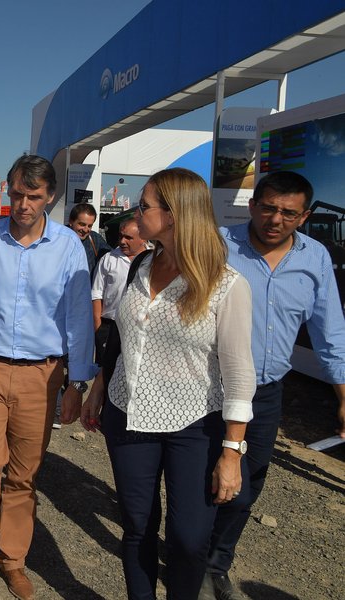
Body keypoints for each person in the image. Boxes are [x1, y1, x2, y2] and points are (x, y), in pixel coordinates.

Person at [80, 168, 255, 600]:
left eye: (144, 206)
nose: (134, 214)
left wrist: (232, 451)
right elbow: (122, 337)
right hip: (127, 414)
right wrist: (100, 385)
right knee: (137, 526)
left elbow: (239, 373)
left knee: (189, 538)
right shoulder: (140, 265)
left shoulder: (225, 285)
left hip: (193, 425)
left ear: (174, 215)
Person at [0, 154, 96, 600]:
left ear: (50, 196)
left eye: (33, 196)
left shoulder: (68, 247)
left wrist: (77, 382)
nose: (23, 205)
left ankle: (13, 559)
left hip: (40, 376)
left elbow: (78, 318)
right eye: (16, 194)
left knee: (23, 473)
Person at [202, 171, 345, 600]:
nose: (275, 219)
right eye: (268, 208)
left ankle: (215, 564)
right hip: (210, 388)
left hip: (265, 394)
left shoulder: (315, 259)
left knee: (247, 485)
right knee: (206, 479)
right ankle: (191, 556)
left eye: (288, 213)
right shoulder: (219, 246)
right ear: (252, 206)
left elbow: (330, 332)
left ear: (304, 217)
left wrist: (343, 398)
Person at [91, 218, 148, 364]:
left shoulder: (154, 260)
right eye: (121, 236)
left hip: (140, 329)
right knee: (105, 372)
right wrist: (99, 330)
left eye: (128, 237)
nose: (122, 241)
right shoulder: (108, 259)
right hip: (109, 327)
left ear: (143, 238)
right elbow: (96, 294)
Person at [68, 202, 110, 275]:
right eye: (82, 224)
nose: (85, 230)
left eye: (90, 226)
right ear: (71, 222)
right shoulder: (59, 238)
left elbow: (111, 257)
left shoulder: (95, 239)